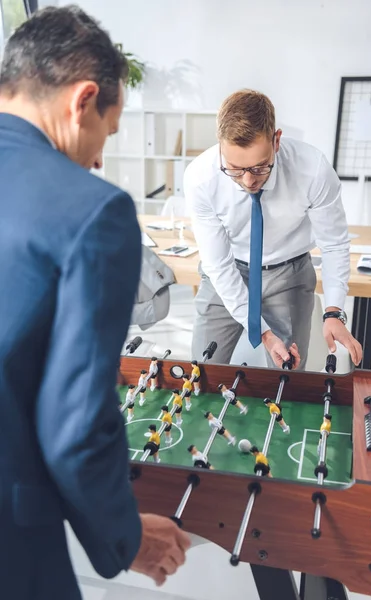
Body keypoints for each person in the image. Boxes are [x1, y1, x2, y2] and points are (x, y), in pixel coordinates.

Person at [0, 6, 190, 600]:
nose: (101, 158)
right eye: (107, 133)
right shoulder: (94, 212)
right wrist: (126, 537)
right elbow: (75, 429)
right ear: (83, 100)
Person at [184, 89, 363, 370]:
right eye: (234, 168)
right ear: (220, 146)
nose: (247, 180)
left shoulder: (312, 170)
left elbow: (334, 245)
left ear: (276, 140)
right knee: (202, 370)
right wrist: (265, 334)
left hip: (288, 275)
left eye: (259, 167)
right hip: (229, 272)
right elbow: (217, 265)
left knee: (288, 376)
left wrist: (334, 312)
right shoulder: (200, 177)